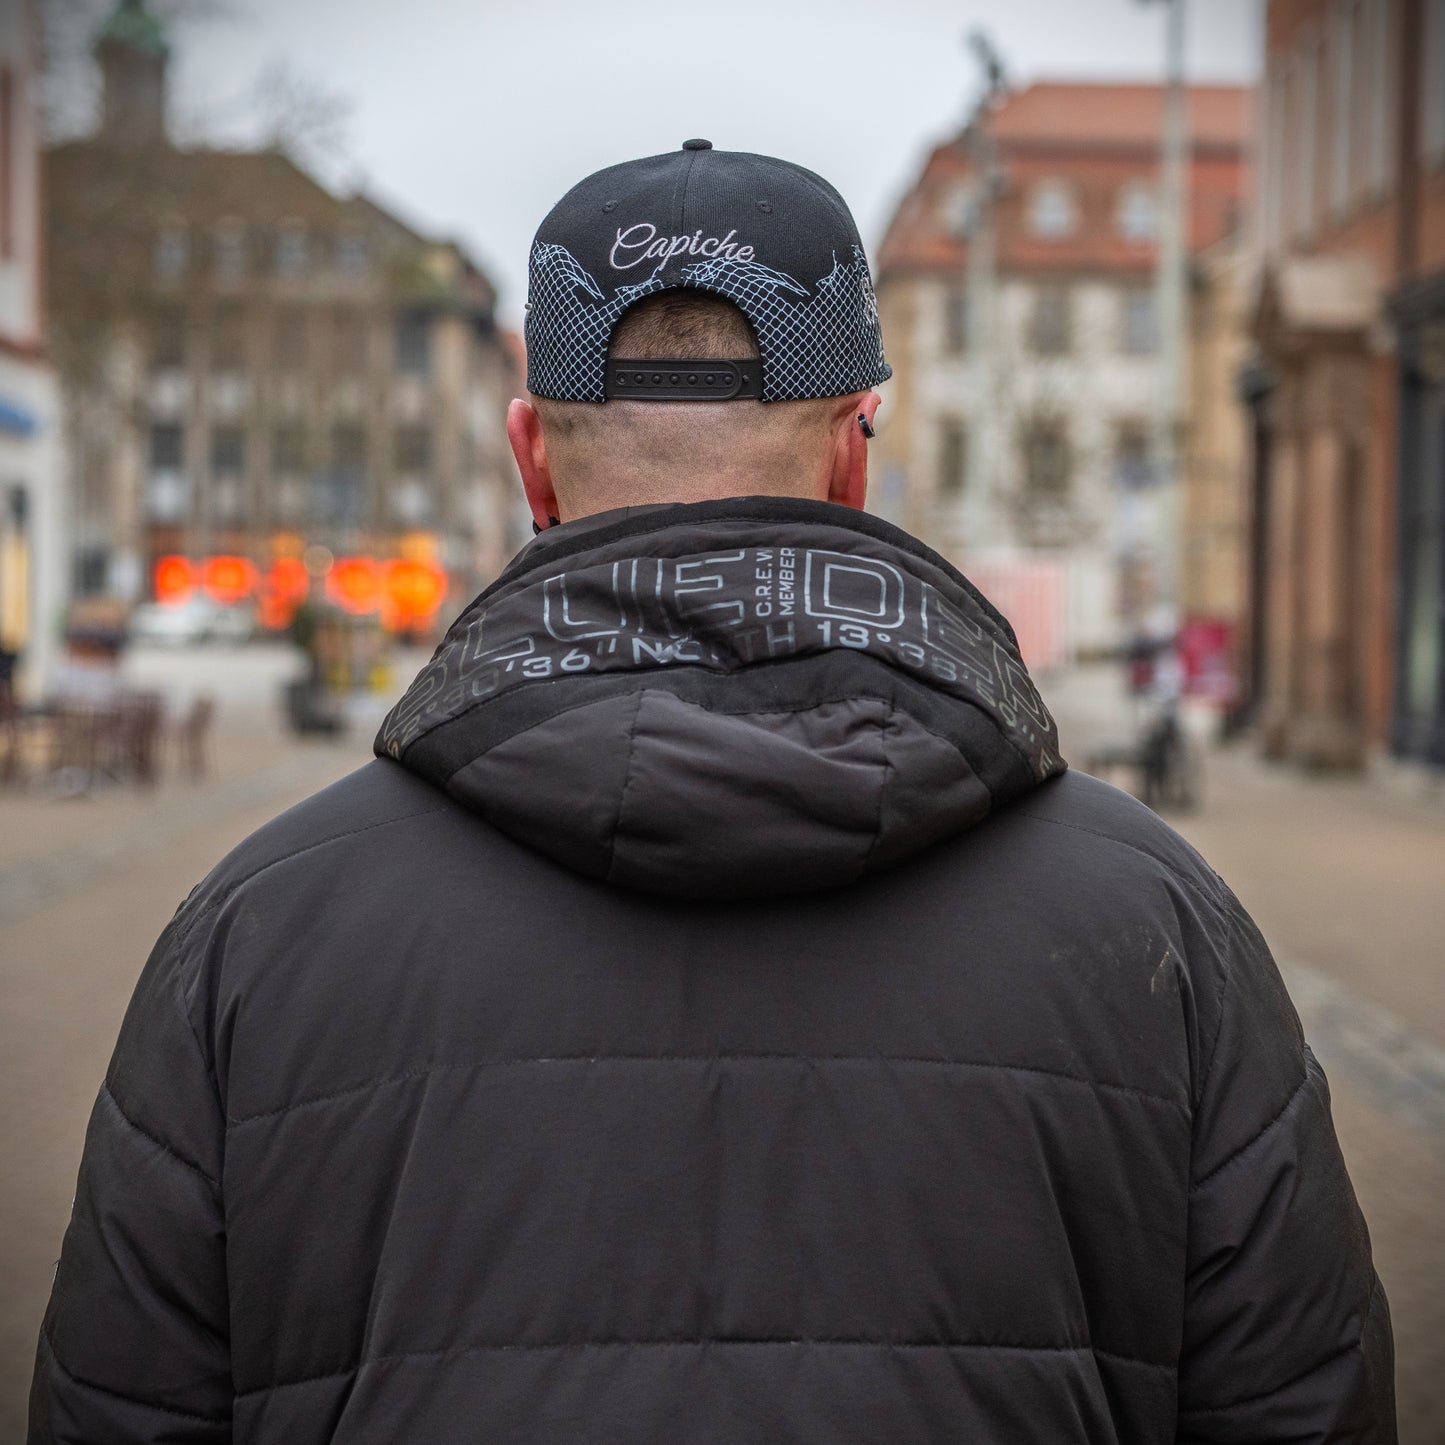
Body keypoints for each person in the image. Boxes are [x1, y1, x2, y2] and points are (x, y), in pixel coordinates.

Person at [31, 142, 1394, 1443]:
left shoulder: (259, 931)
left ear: (531, 458)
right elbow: (1298, 1404)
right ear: (855, 449)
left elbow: (122, 1406)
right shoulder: (1154, 923)